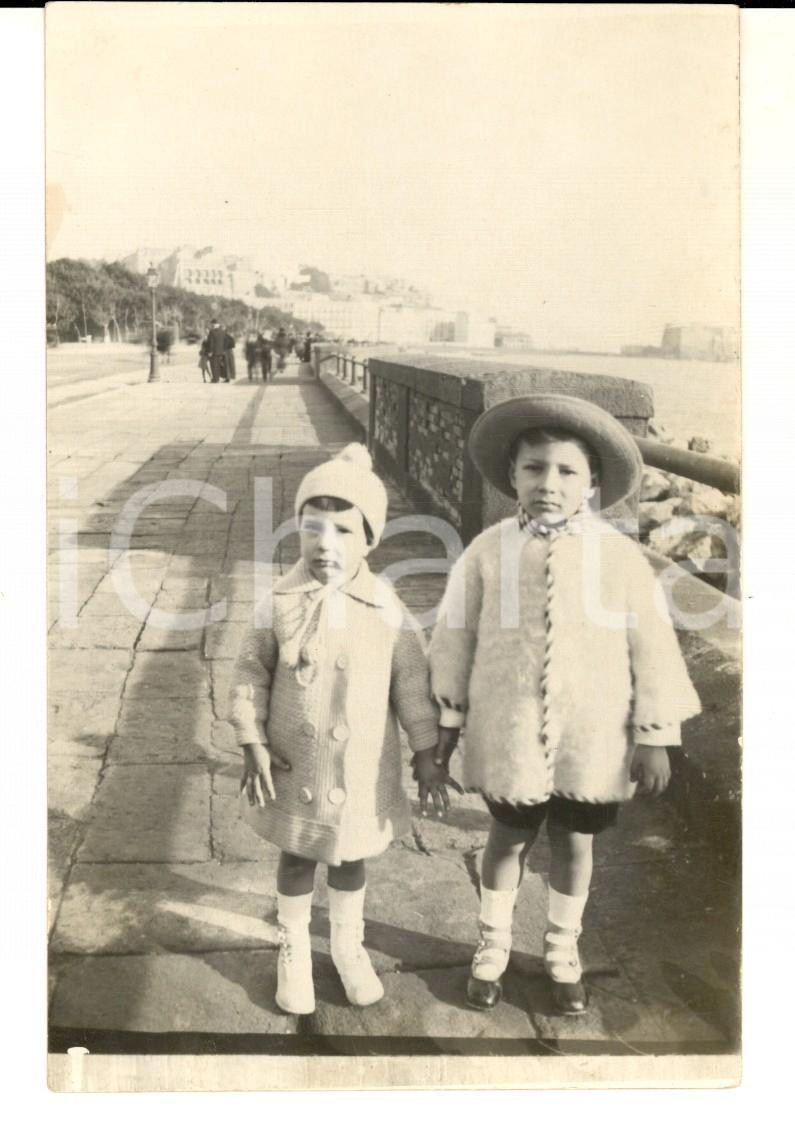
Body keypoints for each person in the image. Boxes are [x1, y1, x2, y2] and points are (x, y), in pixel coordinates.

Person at [424, 394, 701, 1016]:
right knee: (507, 836)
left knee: (577, 845)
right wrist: (448, 721)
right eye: (534, 468)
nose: (548, 484)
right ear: (513, 475)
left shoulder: (619, 557)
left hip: (592, 735)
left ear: (593, 481)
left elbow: (651, 644)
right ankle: (491, 945)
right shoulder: (487, 552)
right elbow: (453, 636)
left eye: (567, 471)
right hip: (510, 728)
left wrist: (656, 733)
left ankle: (561, 949)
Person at [228, 443, 440, 1015]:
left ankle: (348, 944)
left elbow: (412, 682)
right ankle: (292, 944)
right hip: (296, 763)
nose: (326, 545)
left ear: (369, 540)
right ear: (296, 530)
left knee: (350, 857)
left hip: (362, 768)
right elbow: (249, 672)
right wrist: (253, 742)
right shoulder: (277, 602)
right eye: (312, 529)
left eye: (344, 531)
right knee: (297, 853)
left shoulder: (386, 608)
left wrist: (425, 749)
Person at [204, 319, 228, 384]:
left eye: (212, 324)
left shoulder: (212, 332)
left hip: (214, 352)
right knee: (219, 365)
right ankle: (218, 378)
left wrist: (210, 351)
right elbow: (225, 342)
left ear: (213, 324)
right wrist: (224, 350)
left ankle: (215, 379)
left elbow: (211, 343)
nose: (212, 325)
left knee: (214, 365)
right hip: (221, 352)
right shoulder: (223, 332)